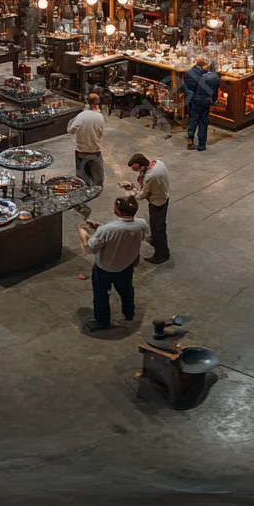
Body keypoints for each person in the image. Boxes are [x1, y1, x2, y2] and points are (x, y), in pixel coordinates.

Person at [78, 195, 147, 332]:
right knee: (126, 290)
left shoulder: (107, 231)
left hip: (105, 268)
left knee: (101, 294)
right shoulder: (141, 224)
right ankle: (129, 312)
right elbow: (125, 231)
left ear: (117, 211)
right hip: (126, 266)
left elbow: (89, 248)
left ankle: (102, 321)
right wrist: (99, 226)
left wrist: (83, 234)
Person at [125, 152, 171, 264]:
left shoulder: (150, 177)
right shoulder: (158, 163)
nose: (137, 172)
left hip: (157, 202)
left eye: (137, 170)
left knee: (157, 228)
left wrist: (131, 194)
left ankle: (162, 254)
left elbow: (143, 194)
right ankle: (155, 240)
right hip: (163, 195)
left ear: (143, 165)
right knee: (156, 224)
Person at [67, 92, 106, 188]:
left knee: (82, 173)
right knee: (97, 173)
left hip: (81, 149)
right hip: (95, 149)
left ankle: (84, 186)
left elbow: (71, 130)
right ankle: (97, 188)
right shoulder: (100, 117)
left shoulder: (81, 116)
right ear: (97, 104)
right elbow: (101, 133)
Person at [183, 54, 221, 152]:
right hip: (203, 100)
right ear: (203, 65)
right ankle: (201, 144)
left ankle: (190, 139)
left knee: (192, 119)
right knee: (203, 121)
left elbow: (186, 86)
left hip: (192, 100)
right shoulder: (206, 75)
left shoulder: (189, 73)